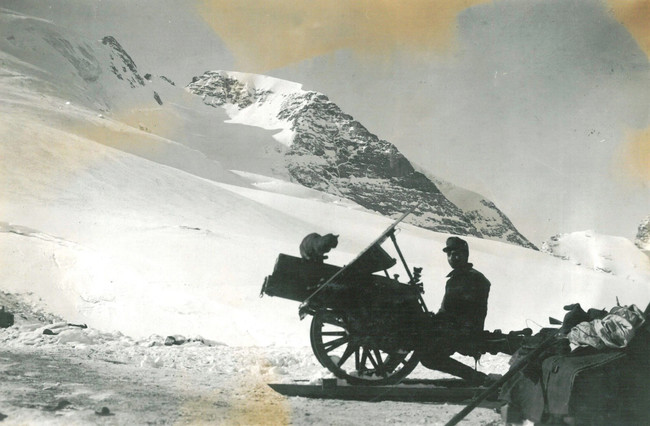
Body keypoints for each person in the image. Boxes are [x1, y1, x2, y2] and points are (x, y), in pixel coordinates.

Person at [418, 236, 492, 384]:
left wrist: (442, 323)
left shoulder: (474, 278)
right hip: (453, 327)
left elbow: (469, 312)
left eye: (457, 254)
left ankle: (477, 378)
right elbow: (448, 309)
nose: (453, 257)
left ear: (466, 255)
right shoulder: (456, 279)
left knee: (428, 356)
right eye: (450, 254)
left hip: (463, 331)